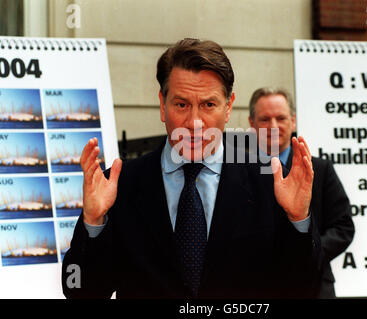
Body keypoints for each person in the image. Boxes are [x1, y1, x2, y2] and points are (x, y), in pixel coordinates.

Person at [62, 39, 320, 299]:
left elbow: (305, 289)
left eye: (208, 105)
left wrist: (298, 221)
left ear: (228, 107)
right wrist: (92, 224)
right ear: (163, 105)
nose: (195, 123)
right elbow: (78, 290)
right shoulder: (120, 185)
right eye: (182, 104)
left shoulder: (270, 182)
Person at [248, 87, 355, 298]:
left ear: (293, 121)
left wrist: (307, 254)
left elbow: (343, 228)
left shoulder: (320, 169)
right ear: (252, 124)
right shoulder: (237, 172)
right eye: (264, 119)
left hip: (314, 287)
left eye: (280, 118)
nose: (273, 126)